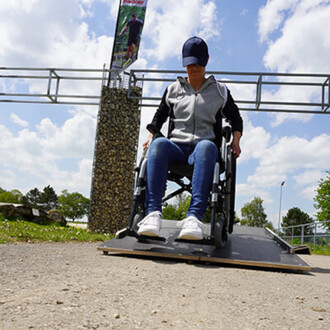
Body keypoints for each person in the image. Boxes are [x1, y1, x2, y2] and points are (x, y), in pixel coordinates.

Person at [137, 36, 243, 240]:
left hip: (202, 150)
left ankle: (194, 217)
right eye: (190, 64)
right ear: (184, 63)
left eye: (198, 63)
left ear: (207, 61)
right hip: (176, 148)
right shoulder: (172, 90)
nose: (194, 68)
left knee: (206, 147)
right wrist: (151, 136)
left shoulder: (220, 91)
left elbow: (236, 119)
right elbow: (159, 117)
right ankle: (152, 214)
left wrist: (236, 140)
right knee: (158, 144)